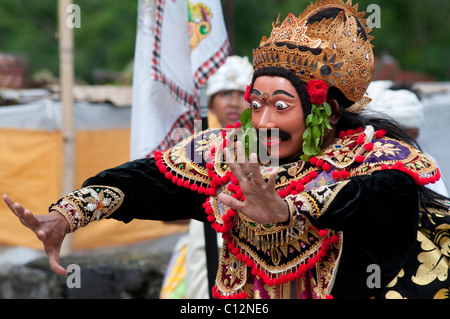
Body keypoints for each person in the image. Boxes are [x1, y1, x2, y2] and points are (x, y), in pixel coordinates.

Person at [4, 0, 450, 299]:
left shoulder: (372, 154)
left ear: (327, 113)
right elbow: (145, 180)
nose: (264, 122)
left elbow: (379, 198)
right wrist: (67, 215)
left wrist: (289, 211)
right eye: (255, 105)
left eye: (280, 106)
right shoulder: (230, 154)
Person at [160, 55, 253, 299]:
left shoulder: (268, 143)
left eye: (240, 95)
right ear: (210, 104)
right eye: (224, 94)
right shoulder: (194, 146)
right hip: (203, 240)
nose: (233, 103)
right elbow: (174, 211)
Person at [365, 80, 449, 196]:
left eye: (391, 133)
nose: (384, 141)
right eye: (379, 132)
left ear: (414, 134)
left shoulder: (425, 163)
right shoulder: (359, 159)